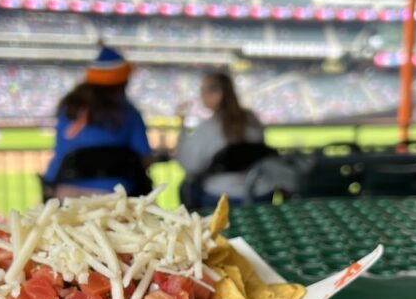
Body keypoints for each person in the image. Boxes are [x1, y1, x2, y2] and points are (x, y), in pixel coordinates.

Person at [42, 47, 152, 197]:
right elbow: (144, 158)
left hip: (65, 193)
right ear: (122, 82)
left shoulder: (68, 108)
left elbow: (60, 152)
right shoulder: (129, 113)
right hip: (116, 194)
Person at [175, 71, 272, 207]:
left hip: (221, 197)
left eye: (204, 91)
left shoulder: (207, 128)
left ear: (218, 94)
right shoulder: (252, 120)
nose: (201, 95)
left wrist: (182, 127)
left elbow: (189, 166)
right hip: (262, 193)